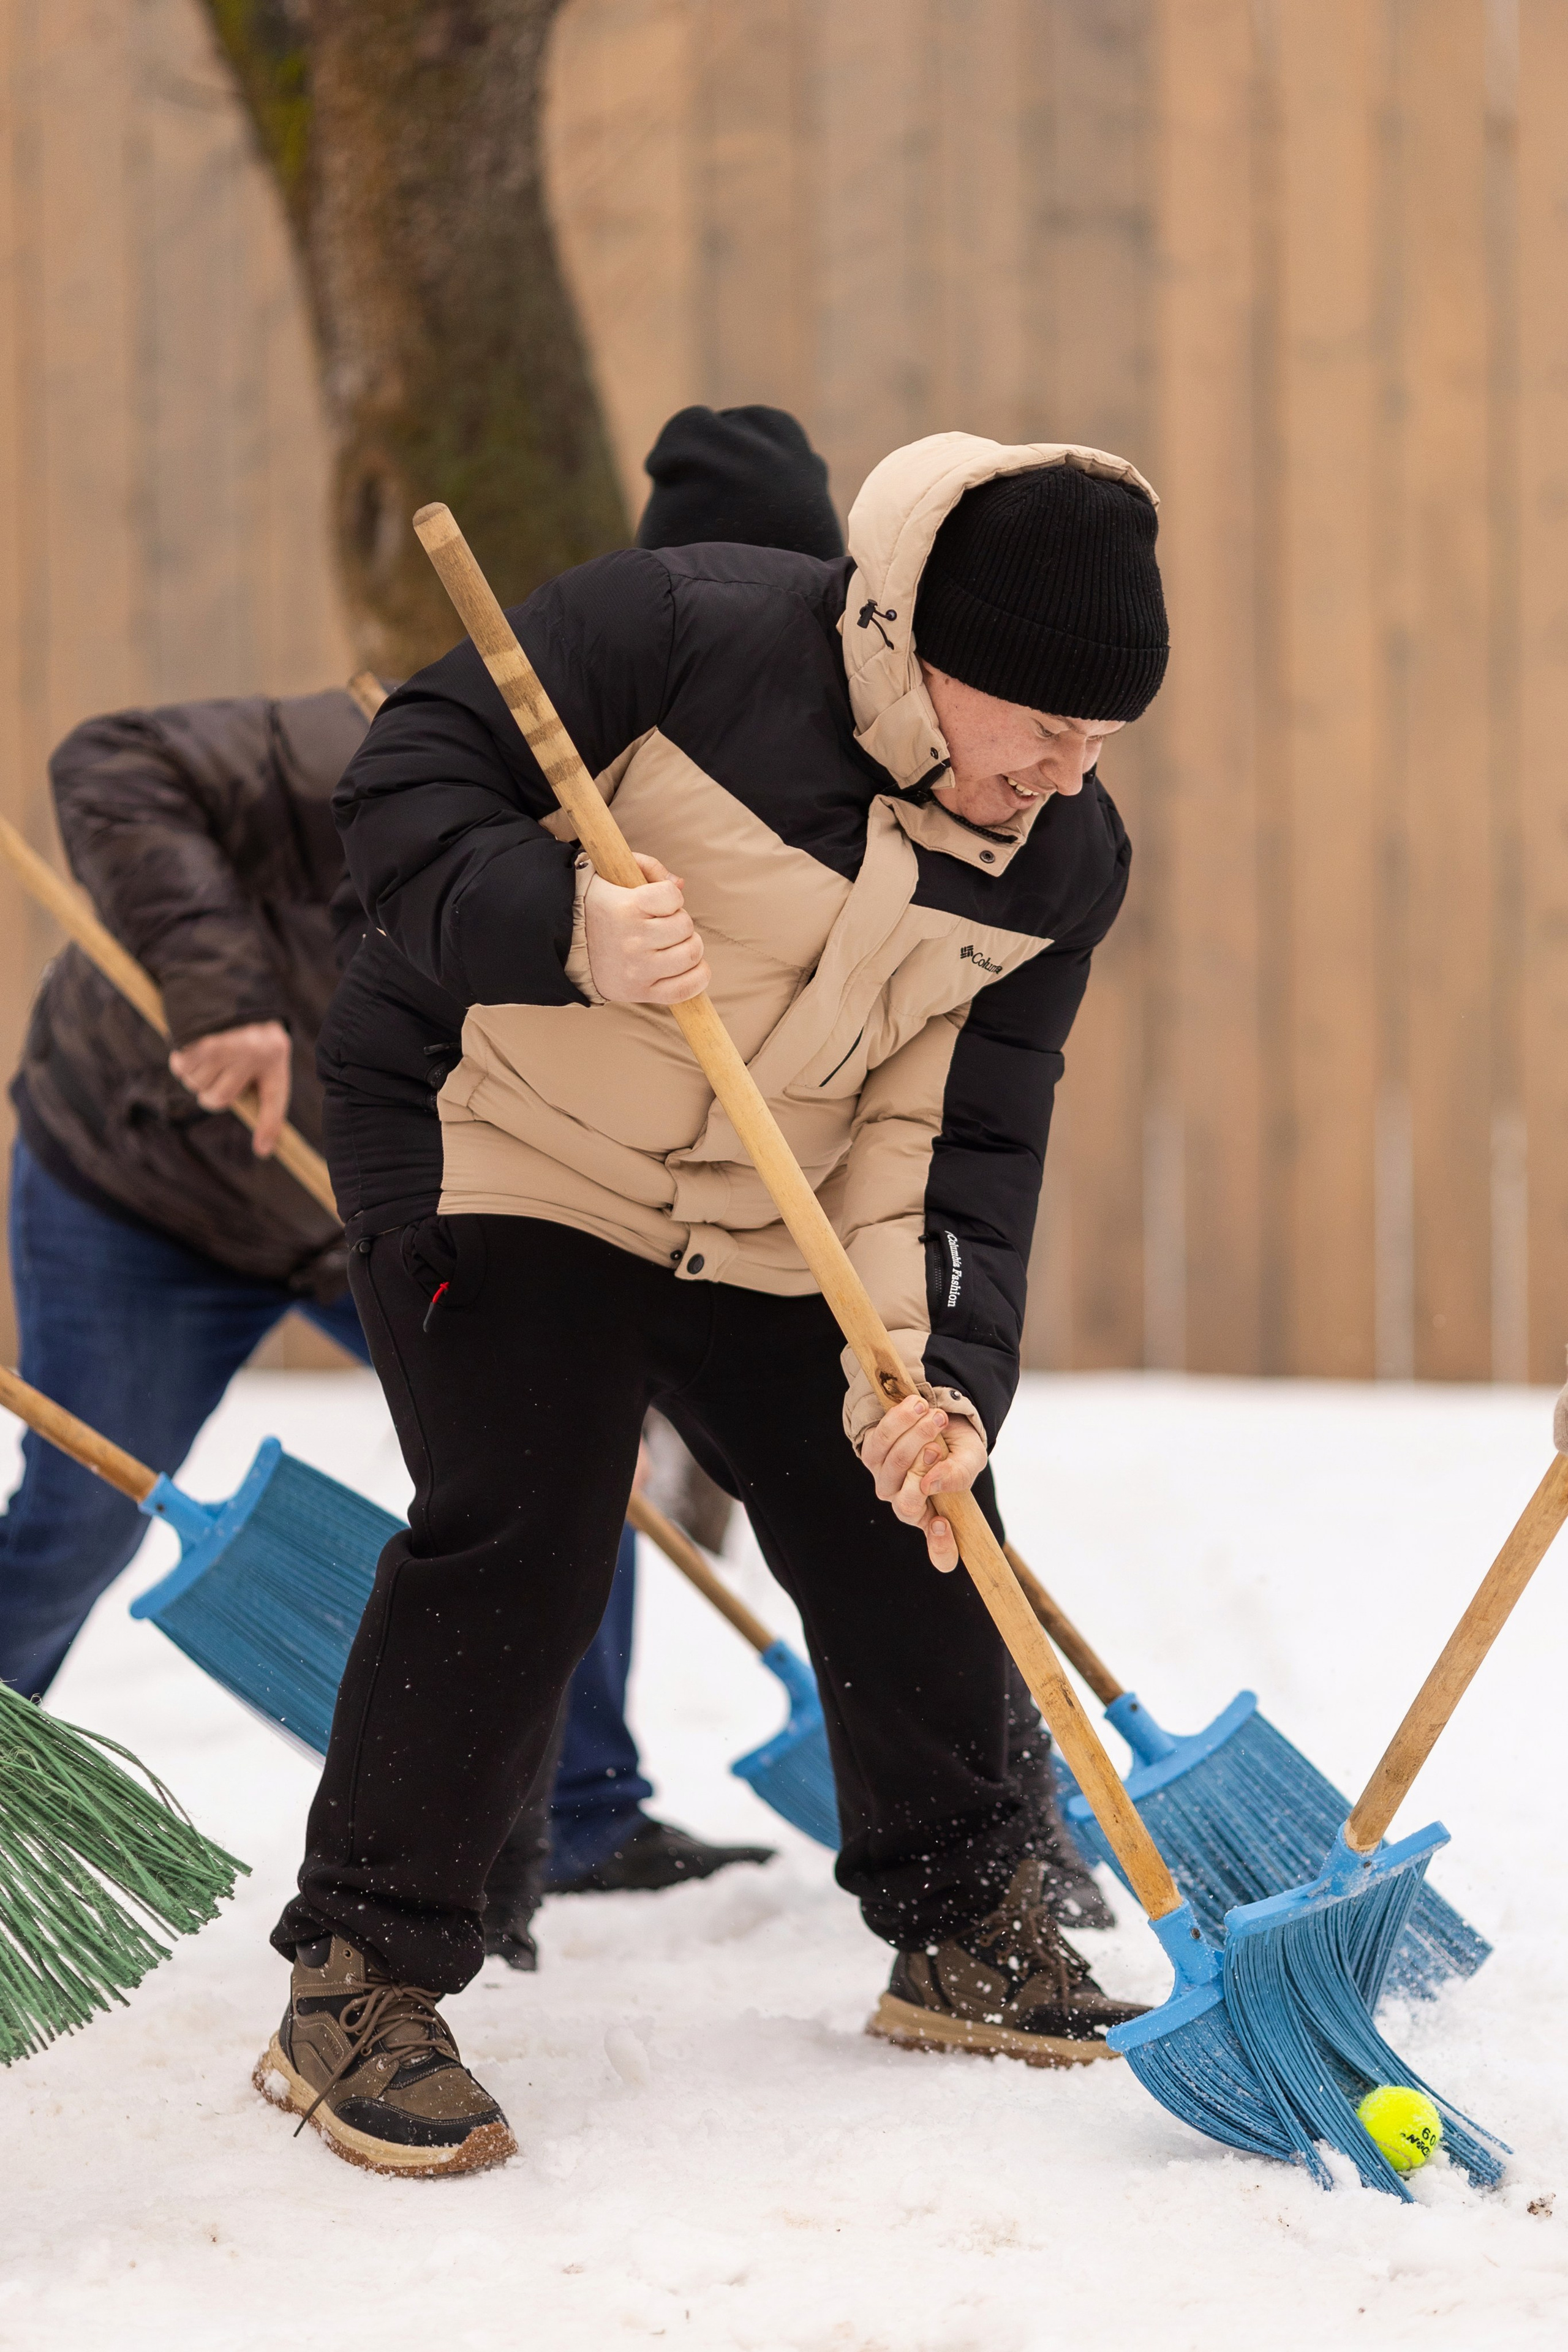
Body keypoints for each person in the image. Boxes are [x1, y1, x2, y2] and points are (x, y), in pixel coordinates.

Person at [258, 429, 1170, 2179]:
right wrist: (562, 923)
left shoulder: (1063, 861)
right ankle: (360, 1973)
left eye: (1102, 741)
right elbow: (406, 784)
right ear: (919, 645)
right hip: (497, 1128)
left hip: (771, 1199)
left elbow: (965, 1134)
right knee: (529, 1506)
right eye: (1037, 724)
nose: (1062, 775)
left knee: (906, 1501)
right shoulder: (675, 637)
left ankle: (966, 1920)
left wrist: (945, 1377)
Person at [0, 680, 759, 1907]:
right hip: (147, 1189)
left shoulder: (641, 905)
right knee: (83, 1512)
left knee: (559, 1454)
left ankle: (576, 1812)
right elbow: (113, 756)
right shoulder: (364, 758)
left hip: (375, 1212)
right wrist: (221, 994)